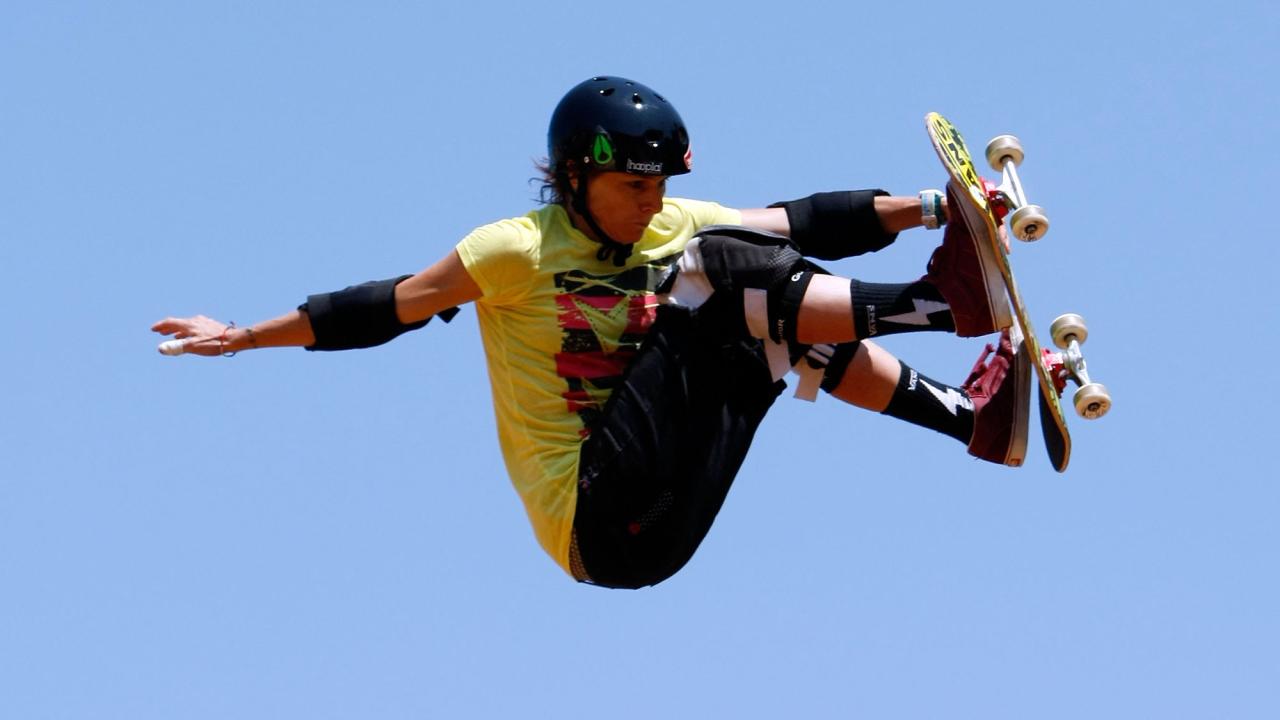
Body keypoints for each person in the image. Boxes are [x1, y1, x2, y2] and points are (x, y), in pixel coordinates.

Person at [153, 76, 1028, 589]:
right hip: (601, 518)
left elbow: (799, 222)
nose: (649, 206)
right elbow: (385, 306)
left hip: (667, 508)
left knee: (766, 313)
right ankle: (948, 305)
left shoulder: (666, 224)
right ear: (576, 178)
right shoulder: (514, 253)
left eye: (657, 189)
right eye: (631, 190)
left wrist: (932, 205)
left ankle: (976, 422)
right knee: (723, 274)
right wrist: (239, 337)